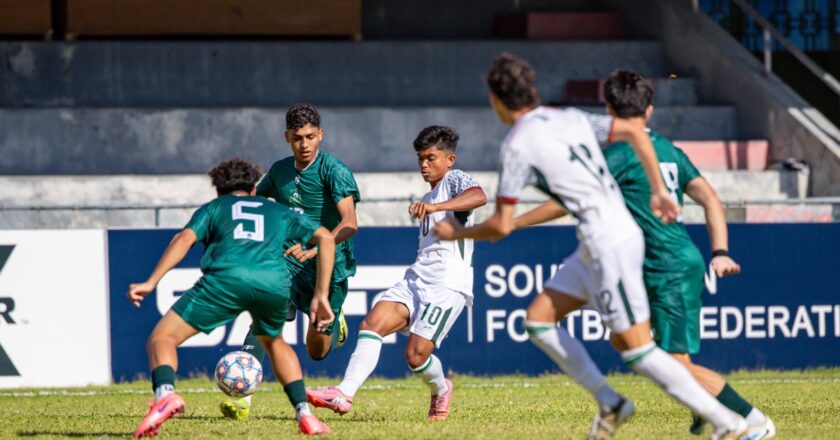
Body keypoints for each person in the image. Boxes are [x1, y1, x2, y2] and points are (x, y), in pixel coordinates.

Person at [432, 53, 749, 440]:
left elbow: (500, 226)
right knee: (538, 320)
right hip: (597, 240)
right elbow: (634, 132)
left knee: (639, 352)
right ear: (531, 89)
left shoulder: (516, 145)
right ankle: (611, 403)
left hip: (608, 243)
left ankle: (727, 421)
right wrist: (661, 191)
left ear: (495, 100)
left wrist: (456, 233)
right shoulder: (568, 117)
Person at [514, 69, 774, 438]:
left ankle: (751, 421)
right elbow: (711, 199)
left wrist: (514, 222)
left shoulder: (621, 151)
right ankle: (706, 411)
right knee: (626, 342)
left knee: (668, 362)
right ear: (649, 110)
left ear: (607, 108)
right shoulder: (668, 149)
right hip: (649, 263)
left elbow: (569, 201)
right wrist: (719, 250)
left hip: (667, 265)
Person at [128, 158, 334, 438]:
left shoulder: (215, 207)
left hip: (226, 279)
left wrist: (151, 281)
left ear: (218, 190)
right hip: (272, 283)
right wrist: (320, 295)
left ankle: (166, 395)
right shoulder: (277, 210)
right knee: (274, 343)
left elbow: (183, 239)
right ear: (252, 189)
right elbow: (326, 238)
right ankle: (305, 415)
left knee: (162, 338)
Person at [306, 126, 487, 421]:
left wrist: (436, 206)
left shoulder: (454, 180)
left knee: (415, 356)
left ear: (450, 159)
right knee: (372, 322)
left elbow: (479, 196)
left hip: (447, 286)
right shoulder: (430, 194)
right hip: (416, 279)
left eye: (431, 158)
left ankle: (441, 389)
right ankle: (344, 393)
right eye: (420, 159)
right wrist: (432, 204)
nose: (424, 165)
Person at [221, 103, 361, 419]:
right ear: (287, 137)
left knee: (317, 351)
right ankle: (243, 396)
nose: (305, 144)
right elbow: (254, 199)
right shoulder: (280, 170)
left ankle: (333, 320)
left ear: (321, 135)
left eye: (311, 136)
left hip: (328, 265)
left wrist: (316, 248)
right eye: (298, 137)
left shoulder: (333, 170)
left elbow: (350, 222)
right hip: (287, 261)